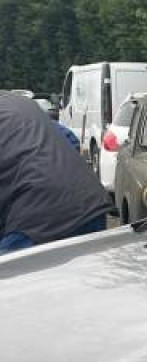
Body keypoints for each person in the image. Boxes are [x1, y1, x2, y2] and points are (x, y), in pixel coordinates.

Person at [0, 92, 111, 255]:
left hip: (35, 217)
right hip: (87, 204)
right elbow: (70, 139)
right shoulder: (19, 103)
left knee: (13, 278)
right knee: (85, 277)